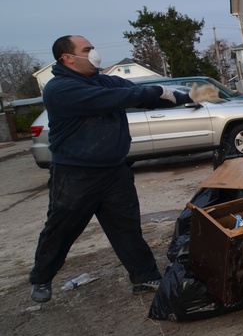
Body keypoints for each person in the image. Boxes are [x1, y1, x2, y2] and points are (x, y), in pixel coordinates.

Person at [28, 36, 212, 303]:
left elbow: (139, 96)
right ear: (68, 58)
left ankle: (144, 276)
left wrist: (184, 97)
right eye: (87, 50)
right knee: (61, 228)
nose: (94, 53)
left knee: (126, 227)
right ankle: (41, 278)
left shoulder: (104, 80)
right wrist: (158, 90)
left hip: (114, 170)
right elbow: (116, 98)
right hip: (75, 173)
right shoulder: (60, 89)